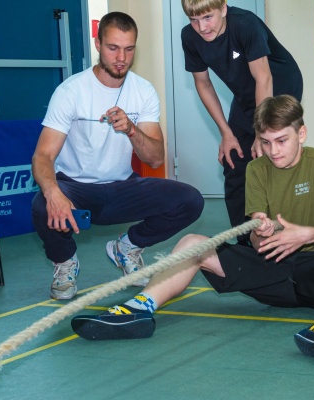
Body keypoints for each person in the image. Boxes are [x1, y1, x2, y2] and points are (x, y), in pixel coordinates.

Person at [71, 95, 314, 364]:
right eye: (265, 142)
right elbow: (257, 243)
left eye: (282, 140)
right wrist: (261, 233)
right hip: (273, 269)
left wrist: (306, 235)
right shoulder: (257, 168)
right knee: (193, 242)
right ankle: (138, 309)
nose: (273, 151)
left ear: (302, 133)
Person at [31, 12, 204, 300]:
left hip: (122, 187)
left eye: (129, 49)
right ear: (98, 44)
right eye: (113, 48)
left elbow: (156, 159)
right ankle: (64, 263)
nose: (121, 57)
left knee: (190, 200)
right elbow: (42, 155)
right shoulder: (71, 91)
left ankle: (127, 247)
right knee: (41, 205)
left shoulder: (143, 91)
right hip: (75, 188)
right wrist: (53, 192)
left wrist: (132, 130)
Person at [180, 0, 303, 242]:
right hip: (246, 94)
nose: (202, 27)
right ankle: (246, 240)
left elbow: (263, 77)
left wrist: (260, 133)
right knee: (234, 159)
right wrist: (226, 133)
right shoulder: (189, 37)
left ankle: (287, 232)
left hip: (279, 87)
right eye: (194, 20)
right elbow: (203, 84)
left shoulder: (245, 24)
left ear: (223, 9)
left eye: (208, 17)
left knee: (272, 154)